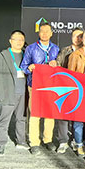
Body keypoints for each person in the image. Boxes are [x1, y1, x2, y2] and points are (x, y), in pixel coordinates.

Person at [20, 22, 59, 155]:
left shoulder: (55, 48)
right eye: (42, 31)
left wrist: (57, 63)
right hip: (34, 86)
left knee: (50, 114)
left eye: (47, 31)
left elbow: (60, 68)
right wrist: (29, 68)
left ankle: (48, 139)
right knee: (35, 114)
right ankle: (34, 142)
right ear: (38, 33)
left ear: (51, 33)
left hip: (51, 87)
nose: (44, 34)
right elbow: (23, 66)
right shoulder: (31, 48)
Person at [0, 30, 28, 157]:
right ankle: (1, 145)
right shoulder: (2, 56)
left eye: (21, 40)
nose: (19, 42)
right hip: (8, 94)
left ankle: (21, 141)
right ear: (10, 41)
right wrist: (0, 96)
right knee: (4, 121)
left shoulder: (26, 55)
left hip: (23, 94)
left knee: (21, 119)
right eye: (16, 39)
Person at [54, 27, 84, 153]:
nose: (77, 39)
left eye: (79, 36)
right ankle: (63, 141)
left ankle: (76, 140)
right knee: (63, 115)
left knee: (78, 117)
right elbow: (58, 65)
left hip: (81, 88)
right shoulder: (64, 51)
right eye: (74, 36)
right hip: (66, 87)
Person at [67, 29, 85, 155]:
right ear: (81, 39)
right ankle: (78, 144)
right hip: (79, 92)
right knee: (78, 121)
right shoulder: (75, 55)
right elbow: (70, 75)